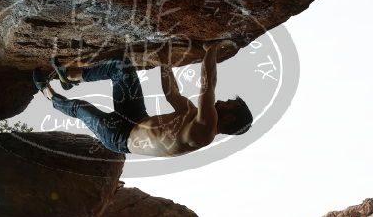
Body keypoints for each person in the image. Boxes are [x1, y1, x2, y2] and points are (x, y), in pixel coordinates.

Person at [32, 41, 253, 156]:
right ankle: (72, 76)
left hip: (119, 137)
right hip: (135, 117)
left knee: (81, 108)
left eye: (227, 105)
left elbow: (207, 88)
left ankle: (47, 93)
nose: (221, 102)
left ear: (230, 118)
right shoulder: (192, 114)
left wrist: (210, 51)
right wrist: (164, 62)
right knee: (122, 67)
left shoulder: (205, 132)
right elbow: (171, 94)